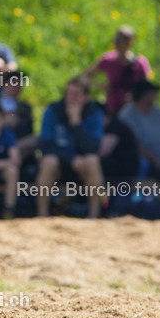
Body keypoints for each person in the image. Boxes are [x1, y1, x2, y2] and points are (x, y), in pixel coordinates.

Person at [35, 76, 105, 218]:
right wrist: (71, 158)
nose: (71, 98)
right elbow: (45, 145)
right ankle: (42, 215)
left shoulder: (94, 113)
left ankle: (94, 216)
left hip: (83, 168)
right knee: (48, 161)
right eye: (69, 93)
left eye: (76, 94)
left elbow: (93, 147)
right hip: (59, 166)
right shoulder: (53, 110)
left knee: (93, 160)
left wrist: (77, 123)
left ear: (86, 97)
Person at [83, 25, 152, 115]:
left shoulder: (140, 63)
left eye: (120, 41)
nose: (116, 43)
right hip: (113, 108)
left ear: (130, 42)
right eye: (115, 40)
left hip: (135, 111)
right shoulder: (107, 60)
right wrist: (103, 87)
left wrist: (135, 96)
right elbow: (86, 76)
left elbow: (149, 88)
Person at [118, 80, 160, 178]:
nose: (155, 96)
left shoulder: (159, 113)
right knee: (142, 165)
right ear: (142, 95)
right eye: (151, 93)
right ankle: (135, 191)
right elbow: (134, 144)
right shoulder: (127, 115)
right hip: (140, 159)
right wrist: (154, 159)